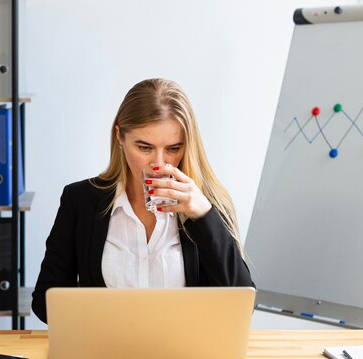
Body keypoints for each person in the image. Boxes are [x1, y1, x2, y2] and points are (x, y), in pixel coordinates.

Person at [32, 78, 254, 323]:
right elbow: (44, 302)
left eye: (173, 148)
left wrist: (203, 216)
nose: (159, 164)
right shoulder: (80, 200)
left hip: (183, 356)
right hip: (106, 352)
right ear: (120, 136)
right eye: (145, 148)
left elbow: (242, 305)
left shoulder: (205, 203)